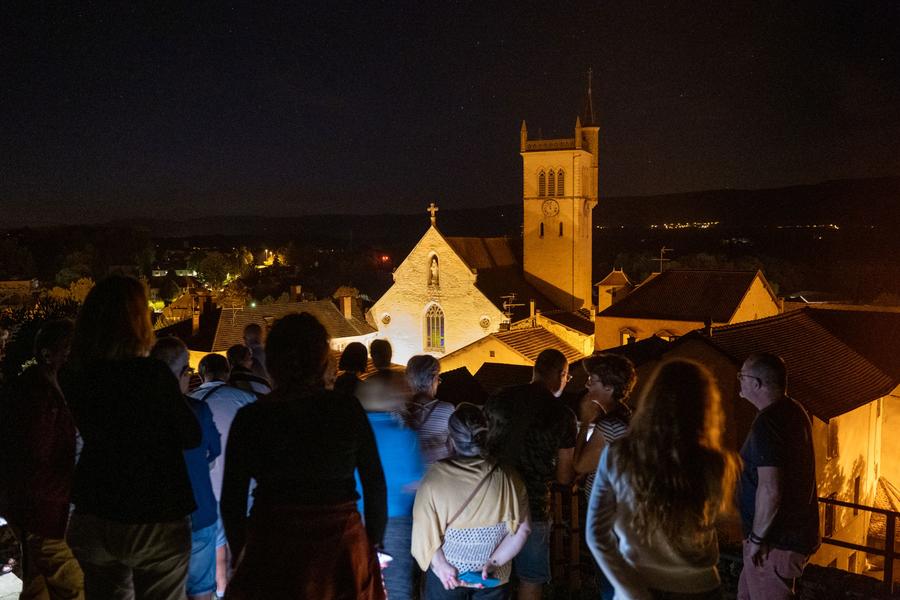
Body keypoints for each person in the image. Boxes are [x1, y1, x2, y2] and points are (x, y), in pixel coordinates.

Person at [221, 312, 387, 599]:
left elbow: (231, 501)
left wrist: (243, 553)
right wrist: (370, 544)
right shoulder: (346, 409)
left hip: (272, 546)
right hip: (338, 549)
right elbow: (374, 484)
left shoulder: (251, 417)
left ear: (272, 362)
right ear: (322, 361)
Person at [61, 275, 200, 600]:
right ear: (137, 322)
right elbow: (190, 435)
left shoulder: (73, 375)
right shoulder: (152, 374)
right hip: (154, 511)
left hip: (94, 510)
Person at [586, 358, 739, 600]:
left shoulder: (620, 454)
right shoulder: (716, 463)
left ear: (652, 399)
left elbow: (596, 533)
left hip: (640, 582)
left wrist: (628, 588)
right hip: (701, 586)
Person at [412, 403, 532, 599]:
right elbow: (523, 530)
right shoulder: (509, 477)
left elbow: (423, 534)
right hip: (492, 578)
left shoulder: (434, 479)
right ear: (487, 436)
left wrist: (442, 567)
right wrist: (493, 562)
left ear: (451, 439)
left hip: (448, 577)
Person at [484, 349, 577, 600]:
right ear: (561, 374)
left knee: (489, 574)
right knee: (531, 578)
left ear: (535, 370)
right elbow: (564, 476)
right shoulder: (562, 415)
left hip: (491, 500)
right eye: (567, 377)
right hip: (533, 504)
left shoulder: (499, 398)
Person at [1, 319, 84, 599]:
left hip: (36, 514)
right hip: (46, 517)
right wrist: (79, 488)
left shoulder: (45, 391)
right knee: (76, 590)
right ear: (48, 355)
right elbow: (32, 470)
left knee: (38, 587)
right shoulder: (38, 399)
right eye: (69, 351)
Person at [736, 353, 819, 600]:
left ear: (756, 383)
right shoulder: (794, 411)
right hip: (783, 539)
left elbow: (770, 488)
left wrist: (757, 538)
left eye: (742, 376)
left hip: (773, 544)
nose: (739, 380)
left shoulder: (768, 423)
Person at [151, 337, 222, 600]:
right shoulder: (198, 410)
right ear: (182, 373)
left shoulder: (137, 415)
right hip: (198, 509)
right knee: (201, 590)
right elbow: (213, 452)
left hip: (157, 516)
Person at [355, 359, 425, 600]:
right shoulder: (404, 436)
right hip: (394, 521)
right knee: (395, 588)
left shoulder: (352, 433)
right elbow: (415, 482)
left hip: (355, 519)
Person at [188, 353, 256, 599]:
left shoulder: (190, 403)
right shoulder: (247, 400)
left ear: (200, 374)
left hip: (204, 490)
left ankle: (220, 591)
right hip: (243, 490)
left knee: (215, 552)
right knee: (241, 550)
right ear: (227, 373)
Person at [573, 353, 636, 600]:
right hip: (625, 515)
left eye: (593, 380)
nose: (587, 384)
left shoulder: (609, 426)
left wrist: (584, 423)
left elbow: (579, 464)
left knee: (610, 585)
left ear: (609, 388)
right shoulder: (629, 418)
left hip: (608, 518)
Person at [403, 354, 454, 465]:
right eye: (438, 378)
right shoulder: (447, 410)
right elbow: (452, 448)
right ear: (433, 378)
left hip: (408, 471)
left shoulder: (400, 411)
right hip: (439, 472)